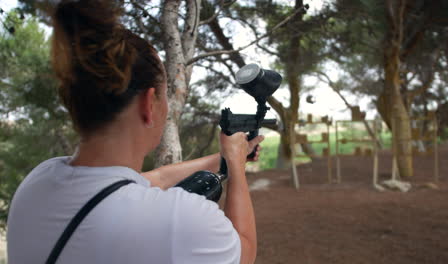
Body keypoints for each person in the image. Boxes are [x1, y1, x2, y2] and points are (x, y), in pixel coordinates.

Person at [6, 0, 263, 263]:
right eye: (165, 95)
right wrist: (237, 170)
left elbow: (156, 179)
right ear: (148, 104)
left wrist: (228, 158)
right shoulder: (179, 219)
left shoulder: (38, 182)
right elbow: (245, 250)